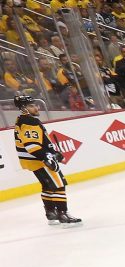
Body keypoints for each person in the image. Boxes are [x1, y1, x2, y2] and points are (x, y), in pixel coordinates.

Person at [13, 93, 81, 225]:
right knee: (59, 185)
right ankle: (63, 214)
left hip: (32, 161)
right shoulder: (30, 121)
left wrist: (53, 152)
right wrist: (47, 157)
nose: (36, 108)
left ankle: (50, 212)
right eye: (32, 106)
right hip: (39, 160)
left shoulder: (20, 119)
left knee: (47, 186)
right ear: (23, 108)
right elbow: (32, 145)